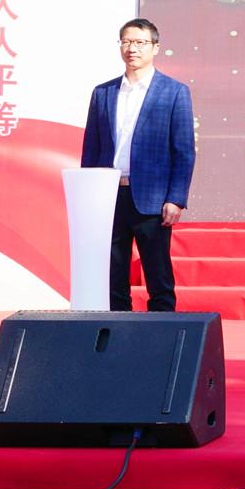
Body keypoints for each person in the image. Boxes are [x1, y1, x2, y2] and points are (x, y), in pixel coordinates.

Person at [81, 18, 197, 312]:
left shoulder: (174, 92)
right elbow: (91, 149)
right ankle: (117, 335)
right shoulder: (103, 93)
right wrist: (89, 195)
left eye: (140, 43)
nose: (132, 49)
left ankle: (163, 336)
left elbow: (183, 151)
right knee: (112, 277)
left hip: (152, 199)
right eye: (127, 42)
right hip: (109, 196)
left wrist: (176, 198)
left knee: (158, 276)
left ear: (155, 47)